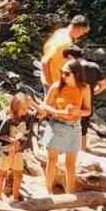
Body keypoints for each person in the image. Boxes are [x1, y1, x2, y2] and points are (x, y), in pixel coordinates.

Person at [41, 63, 90, 193]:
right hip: (58, 125)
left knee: (71, 163)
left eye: (67, 73)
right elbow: (45, 106)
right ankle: (48, 191)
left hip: (75, 127)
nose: (63, 76)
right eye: (62, 72)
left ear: (77, 74)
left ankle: (70, 193)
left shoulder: (84, 88)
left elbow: (88, 111)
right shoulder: (57, 87)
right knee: (52, 160)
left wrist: (77, 112)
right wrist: (60, 113)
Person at [62, 46, 106, 145]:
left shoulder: (69, 68)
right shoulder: (94, 66)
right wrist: (93, 93)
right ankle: (81, 153)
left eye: (66, 59)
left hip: (69, 104)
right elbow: (104, 85)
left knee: (64, 129)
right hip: (86, 107)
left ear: (70, 57)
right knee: (83, 131)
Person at [0, 94, 37, 202]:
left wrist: (32, 103)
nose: (26, 110)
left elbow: (42, 113)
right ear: (15, 107)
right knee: (2, 174)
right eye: (23, 108)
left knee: (18, 174)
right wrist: (12, 140)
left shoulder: (28, 118)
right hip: (7, 151)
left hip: (18, 152)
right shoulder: (9, 120)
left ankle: (15, 197)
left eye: (27, 108)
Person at [41, 15, 91, 88]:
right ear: (80, 29)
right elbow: (45, 61)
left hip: (53, 78)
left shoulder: (61, 31)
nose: (82, 35)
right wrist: (50, 84)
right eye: (83, 33)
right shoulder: (65, 42)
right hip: (53, 81)